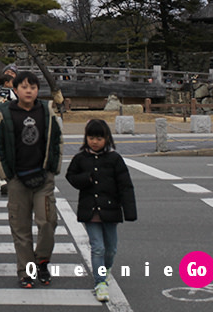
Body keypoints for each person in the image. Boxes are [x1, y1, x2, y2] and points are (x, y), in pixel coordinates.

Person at [0, 70, 64, 289]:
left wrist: (53, 168)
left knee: (47, 222)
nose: (28, 90)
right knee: (20, 229)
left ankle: (42, 260)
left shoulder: (47, 111)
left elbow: (57, 140)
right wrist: (5, 176)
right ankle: (26, 270)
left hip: (43, 177)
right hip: (17, 179)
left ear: (37, 90)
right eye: (24, 87)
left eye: (32, 87)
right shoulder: (4, 113)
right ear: (15, 90)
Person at [66, 119, 137, 302]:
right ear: (86, 138)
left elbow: (125, 186)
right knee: (97, 247)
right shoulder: (81, 158)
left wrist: (129, 211)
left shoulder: (114, 159)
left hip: (110, 209)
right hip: (90, 210)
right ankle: (100, 282)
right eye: (91, 137)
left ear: (107, 138)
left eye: (99, 138)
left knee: (111, 248)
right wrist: (85, 178)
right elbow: (70, 176)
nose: (95, 141)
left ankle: (105, 269)